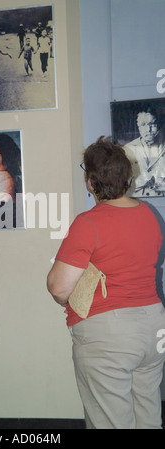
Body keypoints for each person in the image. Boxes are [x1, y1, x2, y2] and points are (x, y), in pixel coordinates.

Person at [47, 137, 165, 429]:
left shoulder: (89, 223)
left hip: (109, 334)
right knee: (147, 417)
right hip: (153, 326)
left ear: (90, 182)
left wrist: (68, 300)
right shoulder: (150, 215)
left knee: (112, 423)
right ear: (128, 177)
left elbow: (58, 287)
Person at [124, 108, 165, 197]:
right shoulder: (128, 149)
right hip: (135, 200)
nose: (148, 129)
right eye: (143, 125)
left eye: (152, 124)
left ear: (158, 125)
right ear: (138, 127)